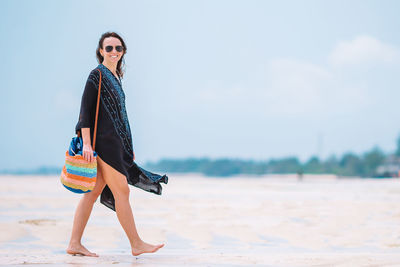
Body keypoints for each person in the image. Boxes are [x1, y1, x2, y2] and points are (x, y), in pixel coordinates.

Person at [66, 32, 168, 257]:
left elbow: (121, 118)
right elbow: (85, 111)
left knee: (92, 194)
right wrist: (86, 144)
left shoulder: (115, 77)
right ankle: (136, 243)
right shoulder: (97, 75)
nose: (114, 52)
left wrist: (127, 148)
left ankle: (74, 243)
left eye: (118, 48)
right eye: (109, 48)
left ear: (123, 52)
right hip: (101, 145)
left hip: (115, 145)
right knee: (121, 190)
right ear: (101, 51)